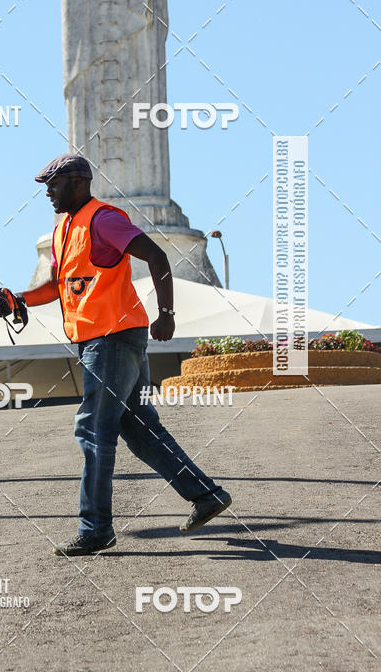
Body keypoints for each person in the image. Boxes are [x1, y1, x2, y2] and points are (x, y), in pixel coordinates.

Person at [14, 154, 231, 556]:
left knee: (93, 431)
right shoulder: (64, 228)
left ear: (79, 183)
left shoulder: (103, 219)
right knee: (138, 429)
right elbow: (55, 287)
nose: (47, 191)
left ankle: (95, 528)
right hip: (102, 340)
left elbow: (157, 257)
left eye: (54, 184)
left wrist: (166, 314)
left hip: (112, 338)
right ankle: (205, 496)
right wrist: (16, 298)